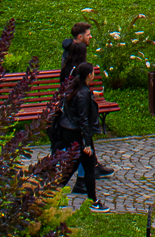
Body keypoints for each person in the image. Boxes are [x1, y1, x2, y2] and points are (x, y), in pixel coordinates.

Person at [55, 62, 111, 213]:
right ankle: (94, 201)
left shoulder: (75, 88)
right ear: (89, 75)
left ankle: (53, 193)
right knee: (89, 167)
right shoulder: (82, 93)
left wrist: (92, 94)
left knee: (73, 164)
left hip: (68, 132)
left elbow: (78, 102)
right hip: (79, 135)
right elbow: (83, 120)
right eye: (93, 72)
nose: (94, 74)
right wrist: (87, 144)